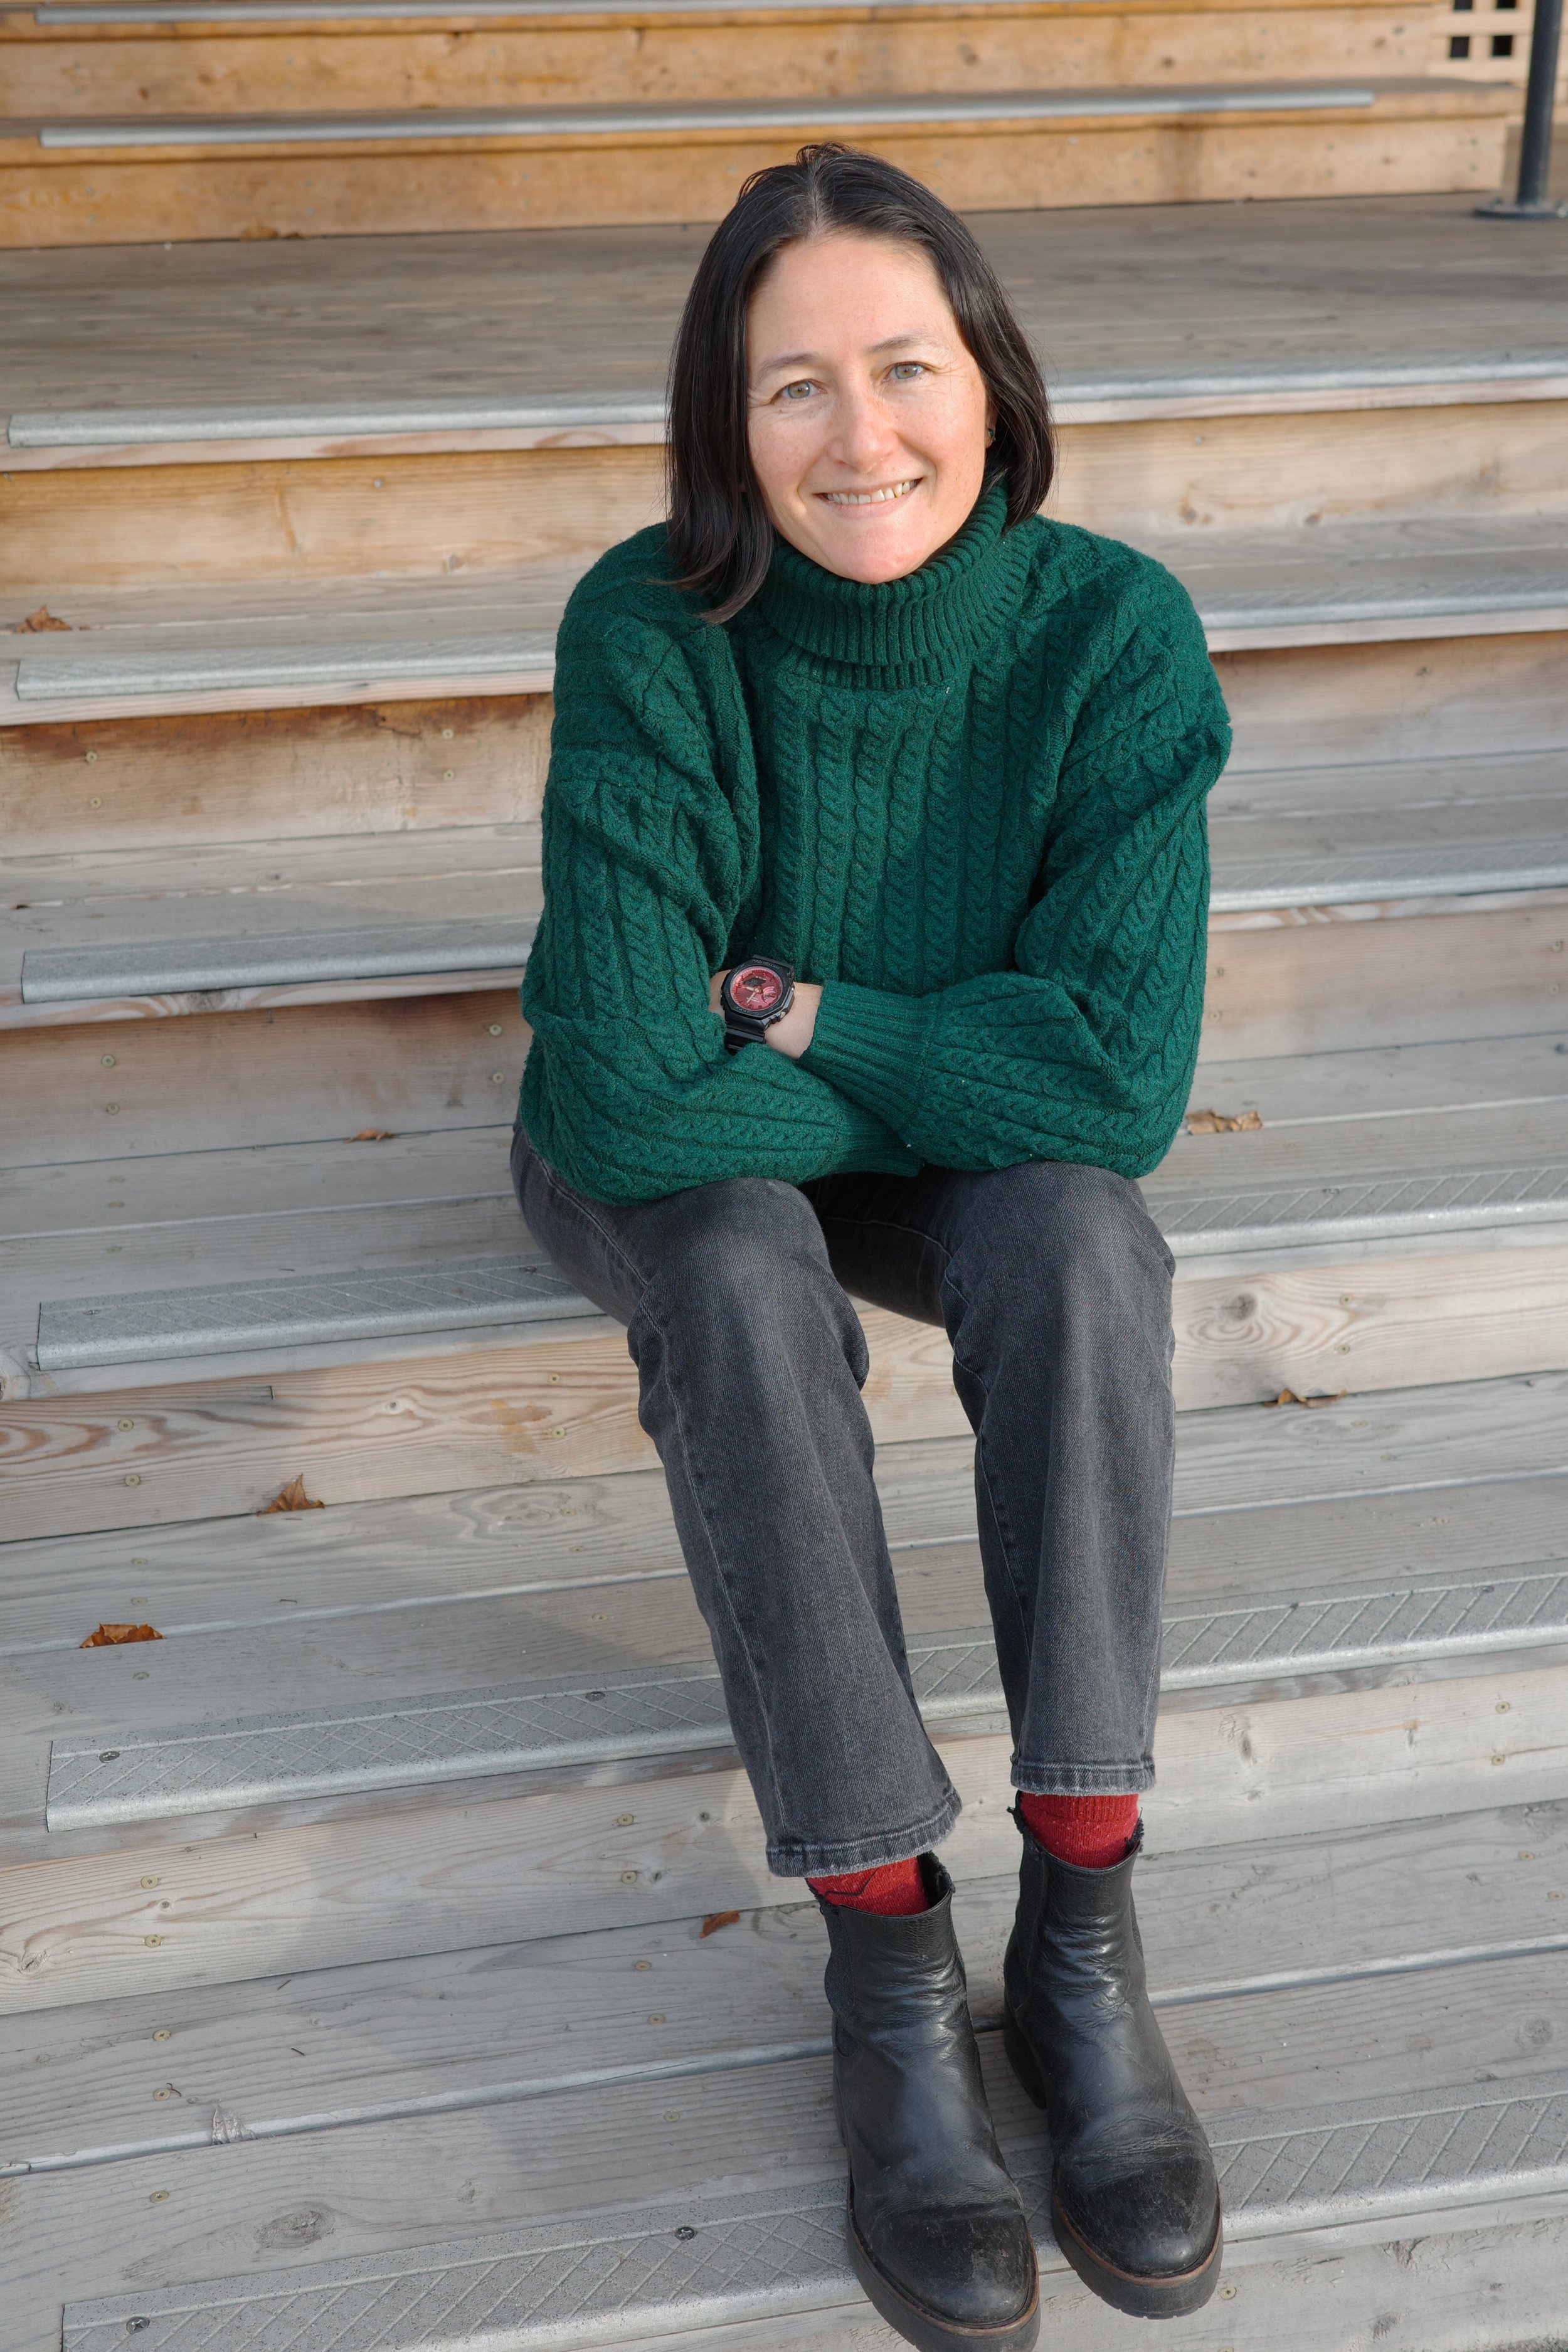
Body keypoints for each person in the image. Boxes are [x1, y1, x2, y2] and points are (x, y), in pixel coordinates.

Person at [515, 142, 1229, 2352]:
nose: (858, 436)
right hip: (661, 1148)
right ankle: (887, 1945)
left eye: (900, 367)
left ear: (988, 382)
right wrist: (949, 1048)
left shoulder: (1110, 637)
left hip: (854, 1101)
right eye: (789, 387)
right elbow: (634, 1094)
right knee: (734, 1265)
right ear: (726, 427)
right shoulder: (653, 627)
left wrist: (810, 1009)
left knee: (1082, 1242)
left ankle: (1083, 1930)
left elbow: (1109, 1090)